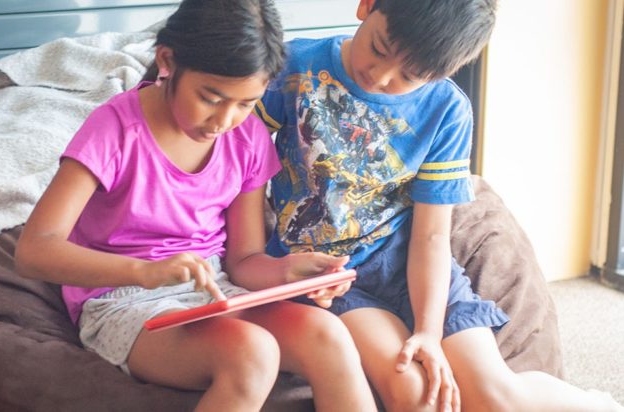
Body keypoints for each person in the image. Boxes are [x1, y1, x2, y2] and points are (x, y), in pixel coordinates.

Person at [250, 0, 624, 411]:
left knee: (498, 397)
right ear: (367, 6)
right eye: (378, 47)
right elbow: (237, 155)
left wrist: (429, 332)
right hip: (333, 277)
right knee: (416, 396)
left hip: (412, 261)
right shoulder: (295, 67)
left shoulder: (447, 110)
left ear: (442, 73)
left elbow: (431, 235)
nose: (380, 75)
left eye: (408, 76)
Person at [14, 1, 378, 411]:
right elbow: (35, 250)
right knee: (251, 353)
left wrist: (287, 271)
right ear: (167, 61)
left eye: (244, 104)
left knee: (329, 336)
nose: (224, 120)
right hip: (122, 299)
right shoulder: (114, 129)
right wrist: (147, 272)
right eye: (211, 97)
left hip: (213, 290)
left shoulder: (248, 139)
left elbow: (242, 260)